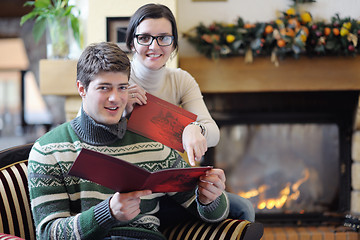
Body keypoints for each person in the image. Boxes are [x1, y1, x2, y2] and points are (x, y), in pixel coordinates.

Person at [28, 42, 229, 239]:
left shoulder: (154, 144)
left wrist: (209, 198)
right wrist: (107, 213)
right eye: (104, 88)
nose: (116, 98)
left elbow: (209, 212)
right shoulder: (48, 150)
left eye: (122, 87)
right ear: (82, 89)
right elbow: (48, 233)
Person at [124, 3, 255, 222]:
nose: (154, 46)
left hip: (171, 188)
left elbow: (214, 133)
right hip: (131, 190)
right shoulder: (119, 80)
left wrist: (194, 128)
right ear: (131, 42)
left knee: (242, 208)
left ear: (173, 43)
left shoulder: (181, 80)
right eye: (145, 37)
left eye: (164, 38)